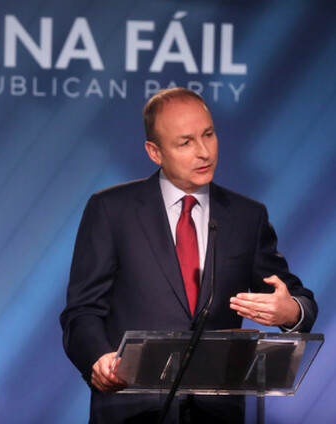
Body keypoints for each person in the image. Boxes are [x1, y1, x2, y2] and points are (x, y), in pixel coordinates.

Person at [60, 88, 318, 423]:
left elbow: (299, 299)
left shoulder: (246, 216)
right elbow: (82, 312)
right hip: (131, 410)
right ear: (155, 152)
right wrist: (98, 358)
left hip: (216, 414)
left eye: (208, 135)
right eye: (185, 143)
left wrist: (290, 311)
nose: (203, 152)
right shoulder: (111, 210)